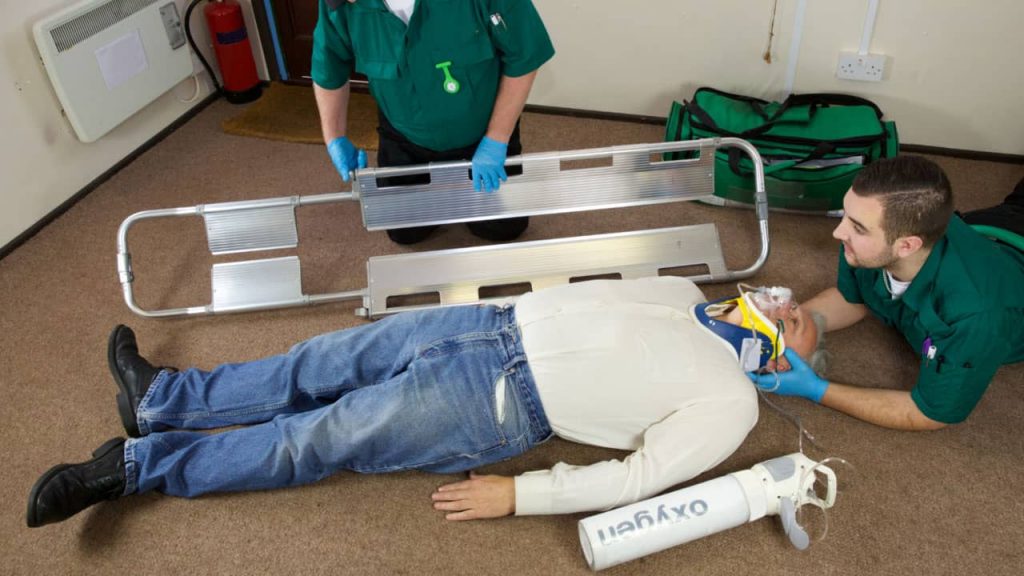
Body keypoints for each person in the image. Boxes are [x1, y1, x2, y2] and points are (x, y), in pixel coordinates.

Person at [26, 277, 823, 528]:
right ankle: (162, 399)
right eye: (786, 300)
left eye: (794, 323)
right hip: (483, 323)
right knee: (315, 361)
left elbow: (638, 478)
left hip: (496, 404)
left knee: (319, 437)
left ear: (776, 356)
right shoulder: (684, 291)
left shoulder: (732, 402)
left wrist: (522, 494)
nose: (785, 302)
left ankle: (133, 467)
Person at [750, 155, 1024, 430]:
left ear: (907, 246)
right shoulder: (872, 244)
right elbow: (853, 299)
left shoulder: (975, 316)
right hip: (996, 224)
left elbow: (927, 414)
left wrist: (816, 389)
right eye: (846, 215)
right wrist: (783, 326)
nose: (838, 232)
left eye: (857, 227)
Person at [312, 0, 555, 245]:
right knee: (404, 233)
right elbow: (328, 66)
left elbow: (525, 55)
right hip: (404, 133)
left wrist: (497, 139)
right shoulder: (340, 4)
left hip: (482, 129)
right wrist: (334, 137)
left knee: (504, 229)